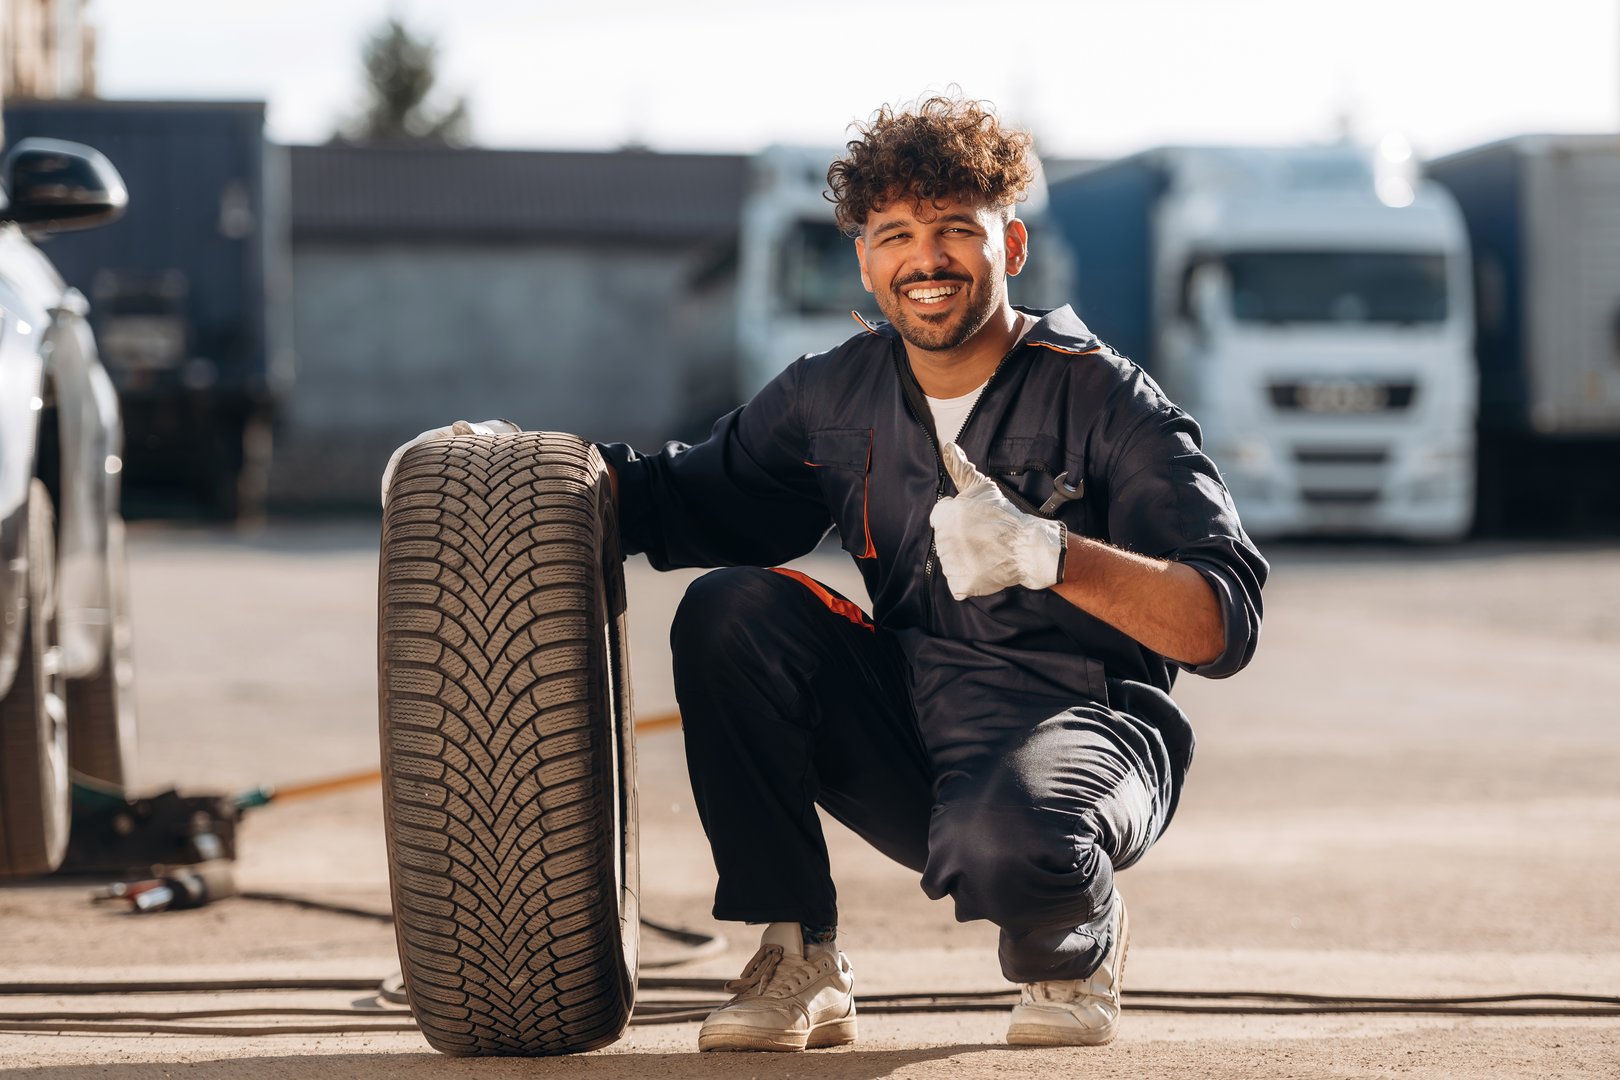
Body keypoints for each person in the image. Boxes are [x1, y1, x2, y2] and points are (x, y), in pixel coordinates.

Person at [385, 94, 1266, 1053]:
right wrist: (509, 470)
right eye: (895, 234)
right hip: (913, 723)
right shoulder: (831, 394)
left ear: (1009, 247)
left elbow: (1220, 622)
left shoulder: (1107, 398)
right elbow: (679, 496)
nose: (924, 259)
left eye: (954, 231)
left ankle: (1075, 937)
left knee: (1007, 838)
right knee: (731, 610)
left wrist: (1051, 554)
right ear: (865, 260)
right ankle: (798, 951)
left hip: (1083, 735)